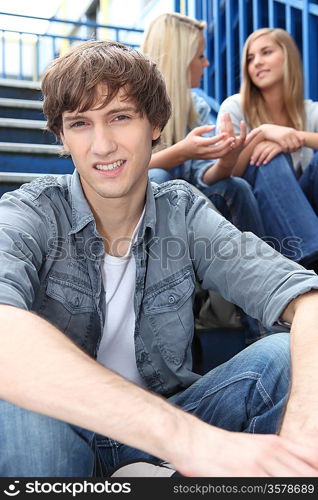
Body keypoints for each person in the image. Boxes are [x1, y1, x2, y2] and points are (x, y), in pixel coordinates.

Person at [1, 39, 318, 478]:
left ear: (155, 124)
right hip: (67, 427)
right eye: (80, 124)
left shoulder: (183, 211)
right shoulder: (29, 212)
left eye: (120, 117)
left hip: (170, 420)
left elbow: (307, 298)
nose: (102, 145)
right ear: (61, 137)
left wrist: (305, 428)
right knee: (17, 399)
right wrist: (185, 439)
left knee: (285, 355)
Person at [141, 12, 264, 235]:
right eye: (200, 56)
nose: (206, 63)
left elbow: (204, 177)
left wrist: (227, 159)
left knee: (237, 187)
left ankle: (263, 266)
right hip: (141, 206)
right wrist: (183, 152)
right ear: (181, 58)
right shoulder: (131, 103)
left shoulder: (196, 105)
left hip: (190, 201)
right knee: (158, 179)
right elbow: (125, 169)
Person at [215, 27, 318, 268]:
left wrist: (295, 137)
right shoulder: (235, 107)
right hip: (256, 207)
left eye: (266, 52)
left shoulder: (309, 110)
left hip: (302, 206)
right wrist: (260, 136)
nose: (257, 62)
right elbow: (226, 173)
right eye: (250, 58)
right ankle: (312, 261)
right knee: (269, 158)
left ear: (288, 57)